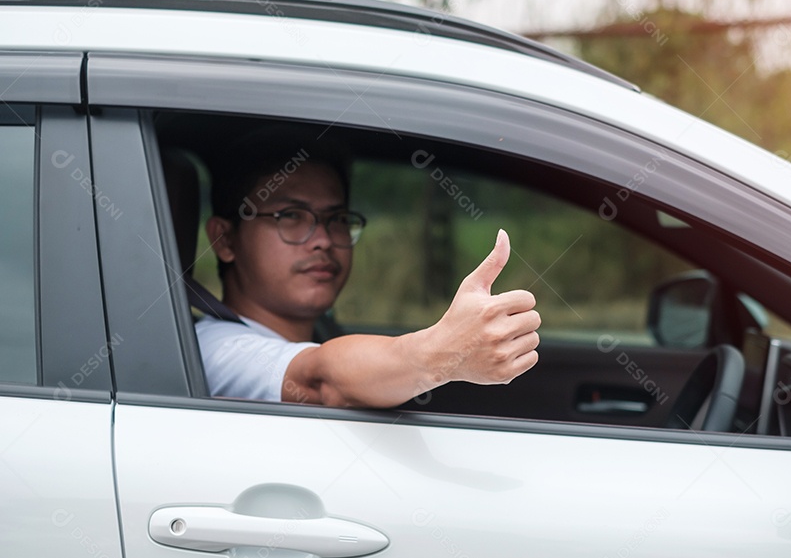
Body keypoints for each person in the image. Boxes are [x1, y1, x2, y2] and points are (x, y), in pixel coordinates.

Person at [195, 129, 541, 407]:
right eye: (291, 217)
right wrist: (444, 350)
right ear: (224, 240)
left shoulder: (323, 331)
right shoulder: (214, 350)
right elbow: (321, 380)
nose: (324, 240)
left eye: (337, 219)